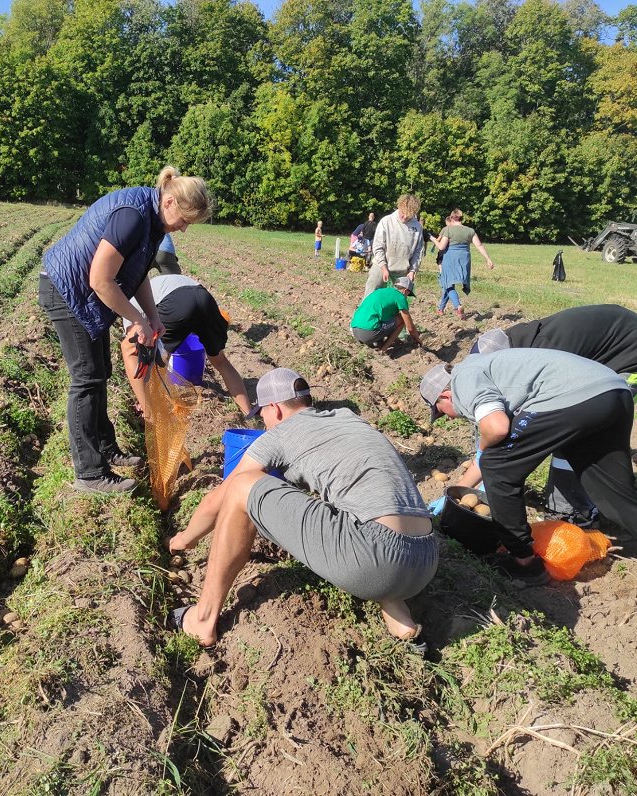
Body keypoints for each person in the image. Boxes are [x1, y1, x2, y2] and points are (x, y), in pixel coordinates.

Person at [419, 353, 637, 621]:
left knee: (497, 469)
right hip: (612, 392)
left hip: (574, 397)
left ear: (444, 395)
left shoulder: (464, 377)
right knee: (616, 501)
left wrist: (489, 457)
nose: (447, 417)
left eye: (441, 411)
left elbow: (497, 427)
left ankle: (525, 562)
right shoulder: (490, 370)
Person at [168, 368, 438, 648]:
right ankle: (398, 613)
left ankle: (202, 620)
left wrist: (183, 539)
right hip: (425, 560)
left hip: (373, 556)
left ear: (275, 409)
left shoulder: (280, 434)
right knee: (355, 507)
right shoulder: (347, 418)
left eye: (262, 413)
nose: (262, 421)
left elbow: (217, 499)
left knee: (240, 487)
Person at [40, 165, 212, 493]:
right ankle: (89, 473)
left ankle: (105, 450)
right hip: (67, 291)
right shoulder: (133, 215)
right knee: (87, 379)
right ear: (171, 202)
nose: (184, 229)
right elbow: (100, 279)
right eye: (185, 221)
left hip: (85, 295)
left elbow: (138, 274)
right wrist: (138, 321)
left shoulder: (153, 221)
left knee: (100, 371)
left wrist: (153, 317)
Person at [457, 305, 637, 524]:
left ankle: (574, 513)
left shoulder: (546, 353)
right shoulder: (521, 346)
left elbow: (522, 431)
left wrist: (495, 474)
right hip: (613, 352)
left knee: (573, 431)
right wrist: (475, 483)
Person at [120, 273, 251, 416]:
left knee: (131, 350)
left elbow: (142, 356)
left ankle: (148, 412)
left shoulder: (130, 307)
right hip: (204, 298)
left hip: (177, 302)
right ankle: (248, 414)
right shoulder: (147, 288)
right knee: (221, 362)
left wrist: (143, 396)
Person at [430, 209, 494, 320]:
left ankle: (458, 306)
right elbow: (479, 245)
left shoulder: (447, 229)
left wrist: (432, 238)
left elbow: (441, 247)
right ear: (461, 218)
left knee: (447, 283)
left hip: (450, 258)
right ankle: (440, 309)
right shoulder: (470, 230)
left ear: (451, 218)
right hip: (465, 258)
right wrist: (488, 259)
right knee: (448, 283)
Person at [365, 194, 424, 297]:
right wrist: (384, 267)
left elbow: (417, 252)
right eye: (403, 213)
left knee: (399, 301)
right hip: (381, 265)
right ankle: (366, 312)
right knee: (371, 294)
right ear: (399, 207)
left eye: (409, 215)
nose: (405, 217)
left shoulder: (417, 227)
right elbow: (378, 247)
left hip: (403, 270)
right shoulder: (386, 221)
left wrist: (412, 271)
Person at [349, 277, 421, 351]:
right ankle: (383, 350)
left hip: (355, 331)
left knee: (386, 320)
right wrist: (418, 340)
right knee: (401, 319)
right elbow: (410, 327)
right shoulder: (400, 297)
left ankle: (378, 343)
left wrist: (396, 339)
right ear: (405, 291)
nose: (406, 297)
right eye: (408, 294)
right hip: (368, 333)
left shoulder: (381, 291)